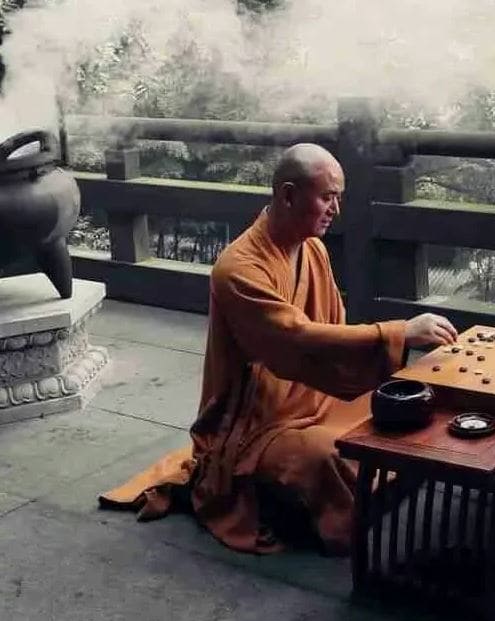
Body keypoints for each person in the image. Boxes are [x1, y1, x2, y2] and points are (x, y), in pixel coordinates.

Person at [99, 143, 457, 555]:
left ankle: (372, 492)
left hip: (316, 393)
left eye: (338, 197)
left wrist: (383, 351)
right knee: (327, 453)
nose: (335, 210)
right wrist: (398, 332)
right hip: (255, 421)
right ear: (288, 195)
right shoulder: (239, 269)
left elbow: (332, 330)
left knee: (402, 411)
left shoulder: (313, 249)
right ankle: (345, 522)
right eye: (327, 197)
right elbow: (296, 336)